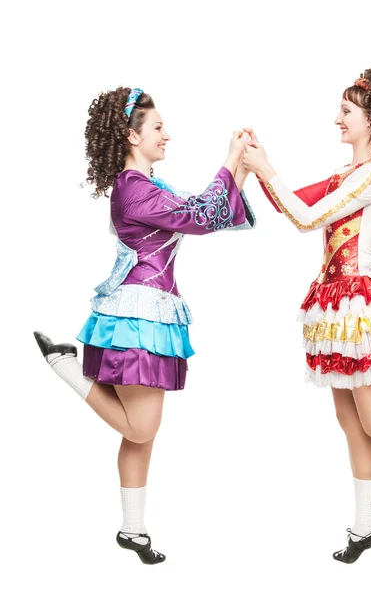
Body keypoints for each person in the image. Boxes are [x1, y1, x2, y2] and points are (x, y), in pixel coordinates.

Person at [34, 87, 255, 564]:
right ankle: (65, 367)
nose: (167, 135)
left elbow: (206, 211)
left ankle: (132, 531)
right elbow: (197, 217)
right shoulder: (134, 190)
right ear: (133, 135)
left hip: (150, 310)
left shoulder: (149, 185)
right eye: (158, 127)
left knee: (142, 432)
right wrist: (231, 158)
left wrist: (239, 165)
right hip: (138, 315)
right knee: (141, 427)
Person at [241, 67, 371, 563]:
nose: (337, 118)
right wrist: (258, 165)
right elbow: (298, 205)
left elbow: (308, 217)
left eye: (346, 111)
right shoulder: (346, 177)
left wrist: (265, 169)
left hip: (361, 303)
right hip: (334, 305)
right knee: (349, 421)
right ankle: (366, 526)